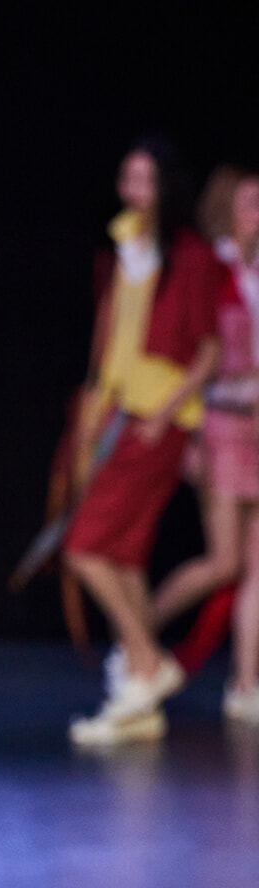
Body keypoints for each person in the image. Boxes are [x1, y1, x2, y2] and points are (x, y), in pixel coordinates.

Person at [65, 137, 219, 746]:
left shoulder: (191, 255)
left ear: (166, 188)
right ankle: (138, 693)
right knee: (123, 554)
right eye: (128, 177)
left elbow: (209, 351)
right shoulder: (122, 243)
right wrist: (93, 410)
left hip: (160, 418)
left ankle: (147, 664)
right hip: (120, 414)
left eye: (145, 180)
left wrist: (168, 414)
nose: (134, 190)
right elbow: (111, 342)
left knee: (85, 549)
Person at [148, 167, 259, 723]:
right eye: (251, 203)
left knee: (256, 565)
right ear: (227, 209)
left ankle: (245, 685)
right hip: (222, 426)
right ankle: (138, 632)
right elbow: (191, 356)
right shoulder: (211, 269)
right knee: (223, 561)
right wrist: (189, 436)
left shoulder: (255, 271)